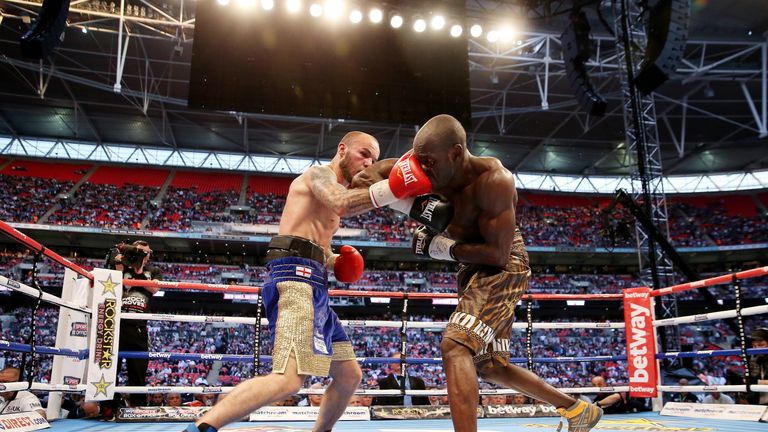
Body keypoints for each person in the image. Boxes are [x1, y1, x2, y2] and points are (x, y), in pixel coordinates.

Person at [185, 131, 434, 432]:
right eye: (363, 153)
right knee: (289, 379)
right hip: (294, 278)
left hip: (315, 284)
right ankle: (203, 426)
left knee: (348, 376)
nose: (368, 162)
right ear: (342, 149)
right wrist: (391, 188)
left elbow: (318, 244)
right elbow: (341, 202)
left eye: (374, 159)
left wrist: (336, 262)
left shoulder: (334, 196)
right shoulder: (319, 175)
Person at [405, 114, 603, 432]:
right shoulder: (428, 173)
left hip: (502, 264)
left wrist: (441, 248)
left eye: (430, 161)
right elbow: (374, 177)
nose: (425, 169)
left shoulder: (494, 179)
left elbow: (497, 254)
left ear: (455, 152)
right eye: (421, 162)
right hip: (472, 271)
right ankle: (576, 409)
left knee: (455, 346)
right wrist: (360, 186)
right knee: (492, 366)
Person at [105, 240, 162, 408]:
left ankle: (138, 406)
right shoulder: (122, 265)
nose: (141, 255)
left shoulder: (154, 271)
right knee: (110, 368)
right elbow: (117, 286)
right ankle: (109, 406)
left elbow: (155, 290)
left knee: (137, 371)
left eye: (145, 252)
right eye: (137, 251)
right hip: (116, 323)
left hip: (138, 325)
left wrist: (139, 270)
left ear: (149, 255)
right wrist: (120, 265)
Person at [747, 327, 768, 405]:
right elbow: (751, 379)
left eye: (761, 345)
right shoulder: (753, 359)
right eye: (754, 346)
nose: (757, 348)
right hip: (759, 401)